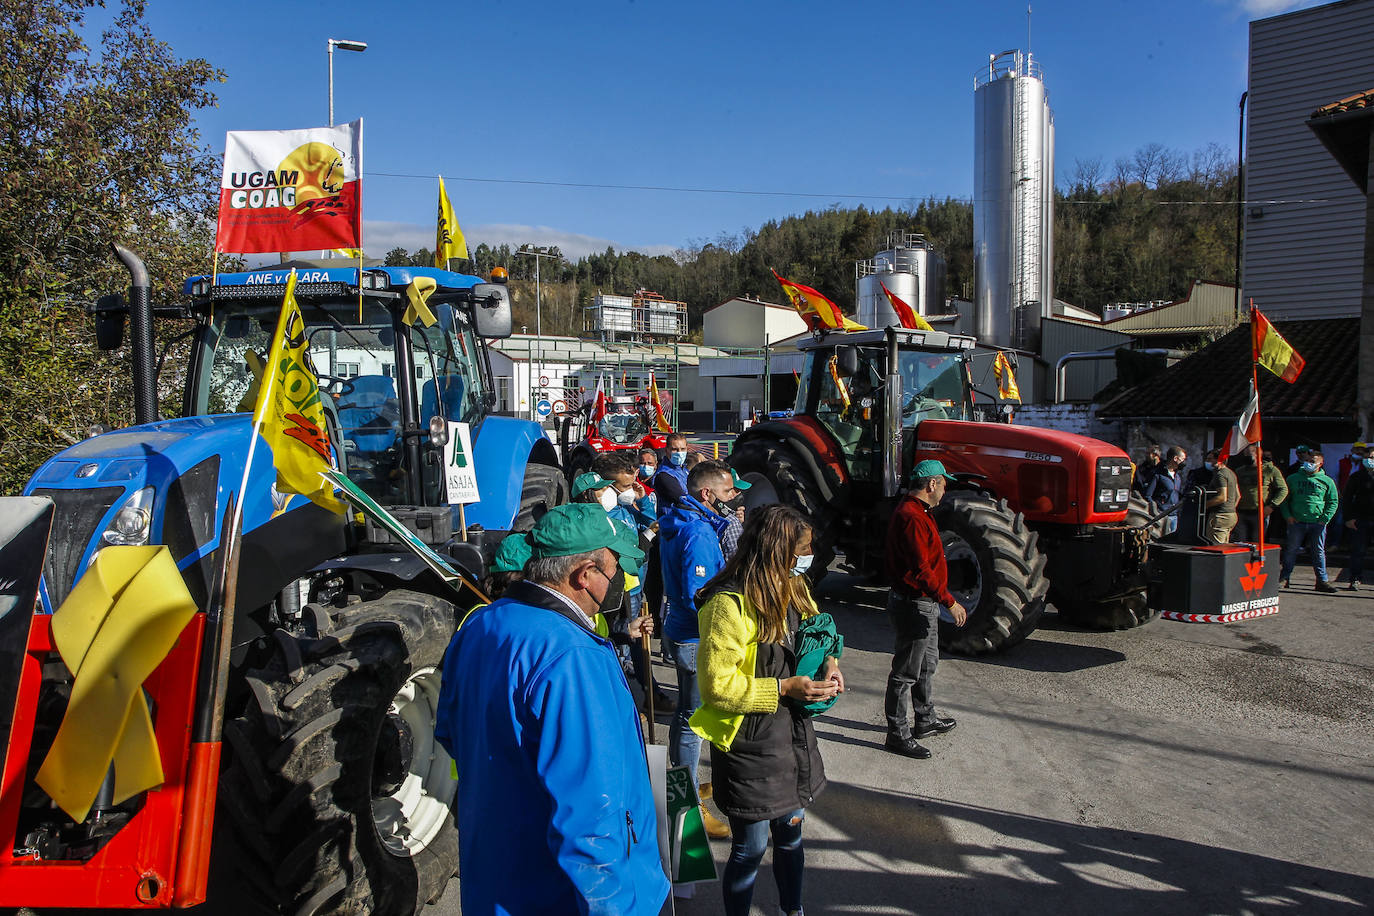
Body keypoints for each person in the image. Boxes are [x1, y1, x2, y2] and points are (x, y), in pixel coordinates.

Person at [434, 503, 668, 914]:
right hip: (554, 893)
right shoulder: (572, 655)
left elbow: (451, 733)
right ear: (584, 575)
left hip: (494, 874)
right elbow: (593, 814)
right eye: (614, 568)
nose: (621, 581)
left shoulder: (481, 624)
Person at [690, 505, 842, 916]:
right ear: (778, 552)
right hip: (749, 744)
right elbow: (717, 688)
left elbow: (817, 630)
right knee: (751, 847)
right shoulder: (728, 604)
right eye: (803, 551)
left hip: (791, 739)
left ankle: (792, 909)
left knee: (792, 836)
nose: (808, 558)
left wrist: (831, 662)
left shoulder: (794, 585)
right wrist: (784, 687)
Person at [659, 459, 739, 838]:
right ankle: (687, 801)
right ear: (706, 494)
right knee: (693, 721)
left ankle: (687, 781)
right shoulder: (699, 534)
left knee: (687, 719)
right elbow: (699, 595)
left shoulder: (682, 520)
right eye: (726, 492)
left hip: (681, 631)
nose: (732, 498)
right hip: (694, 637)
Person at [884, 459, 968, 759]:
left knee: (926, 665)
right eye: (943, 484)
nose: (945, 490)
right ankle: (897, 733)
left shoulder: (920, 512)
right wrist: (950, 601)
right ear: (931, 484)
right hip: (914, 604)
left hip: (923, 603)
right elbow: (920, 569)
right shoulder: (912, 517)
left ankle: (925, 719)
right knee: (906, 671)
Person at [1279, 449, 1339, 592]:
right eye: (1307, 461)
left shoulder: (1327, 481)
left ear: (1320, 463)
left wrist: (1325, 519)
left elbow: (1333, 501)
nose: (1309, 464)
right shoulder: (1293, 478)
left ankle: (1322, 581)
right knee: (1291, 550)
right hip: (1296, 522)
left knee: (1318, 552)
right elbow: (1285, 500)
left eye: (1312, 462)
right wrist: (1287, 516)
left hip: (1317, 522)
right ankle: (1284, 578)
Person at [1234, 443, 1288, 545]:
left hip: (1260, 512)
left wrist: (1272, 506)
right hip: (1241, 511)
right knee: (1240, 542)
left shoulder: (1270, 470)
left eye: (1249, 455)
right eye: (1244, 455)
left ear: (1257, 455)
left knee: (1257, 543)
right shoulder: (1239, 471)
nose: (1246, 457)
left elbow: (1283, 489)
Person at [1340, 448, 1374, 589]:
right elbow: (1347, 498)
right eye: (1366, 457)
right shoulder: (1356, 476)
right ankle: (1355, 578)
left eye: (1372, 457)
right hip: (1360, 520)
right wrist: (1348, 518)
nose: (1369, 460)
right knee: (1358, 551)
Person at [1145, 446, 1188, 535]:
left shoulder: (1177, 477)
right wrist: (1156, 511)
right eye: (1182, 459)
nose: (1184, 462)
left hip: (1174, 516)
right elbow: (1148, 495)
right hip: (1162, 516)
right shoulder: (1158, 475)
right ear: (1175, 458)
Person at [1202, 448, 1240, 544]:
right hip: (1231, 516)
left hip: (1220, 516)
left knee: (1216, 547)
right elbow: (1238, 496)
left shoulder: (1220, 474)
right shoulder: (1231, 473)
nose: (1207, 462)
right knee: (1224, 546)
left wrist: (1203, 505)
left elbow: (1222, 497)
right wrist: (1230, 509)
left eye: (1210, 459)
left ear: (1219, 460)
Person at [718, 469, 752, 561]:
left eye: (739, 491)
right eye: (735, 490)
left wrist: (739, 523)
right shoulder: (731, 522)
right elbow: (735, 559)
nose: (738, 495)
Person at [653, 432, 692, 507]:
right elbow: (683, 500)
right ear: (667, 450)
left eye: (683, 449)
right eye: (675, 449)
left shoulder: (684, 470)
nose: (679, 453)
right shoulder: (663, 475)